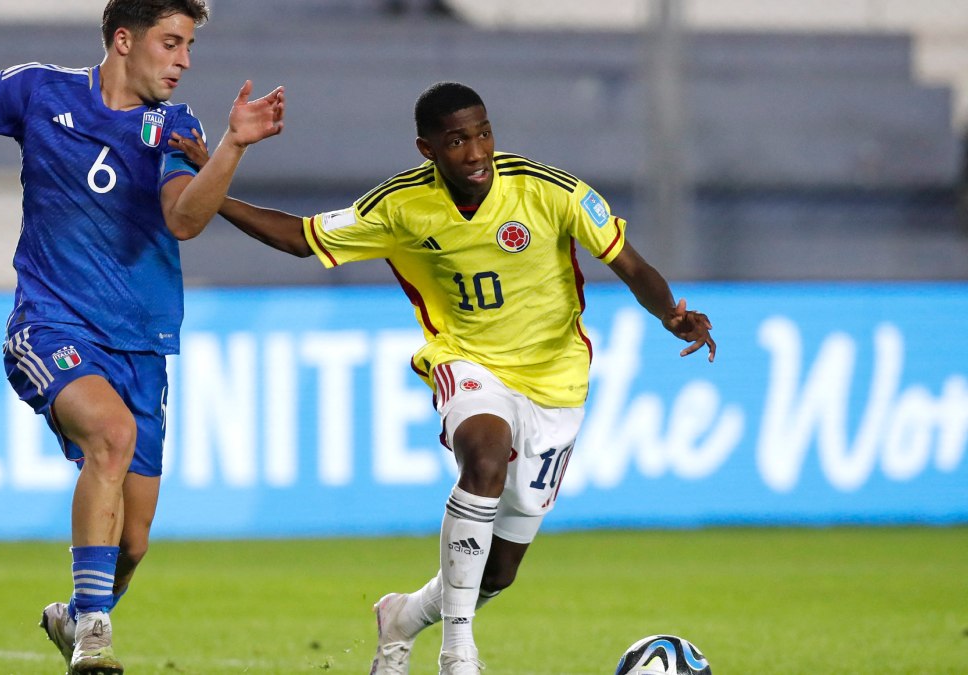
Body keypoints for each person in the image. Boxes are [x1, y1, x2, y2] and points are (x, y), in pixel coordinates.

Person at [174, 81, 715, 675]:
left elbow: (630, 263)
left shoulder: (550, 190)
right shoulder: (400, 206)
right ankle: (458, 653)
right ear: (427, 149)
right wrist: (214, 189)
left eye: (483, 134)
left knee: (499, 572)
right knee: (483, 455)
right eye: (457, 141)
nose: (476, 151)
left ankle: (402, 618)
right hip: (467, 360)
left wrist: (672, 314)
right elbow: (301, 239)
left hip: (556, 383)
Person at [0, 1, 284, 673]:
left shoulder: (176, 126)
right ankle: (95, 637)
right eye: (172, 42)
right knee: (110, 434)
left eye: (189, 45)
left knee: (132, 543)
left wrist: (232, 147)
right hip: (50, 323)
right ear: (124, 39)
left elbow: (186, 218)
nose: (184, 60)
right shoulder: (36, 90)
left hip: (142, 343)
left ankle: (77, 613)